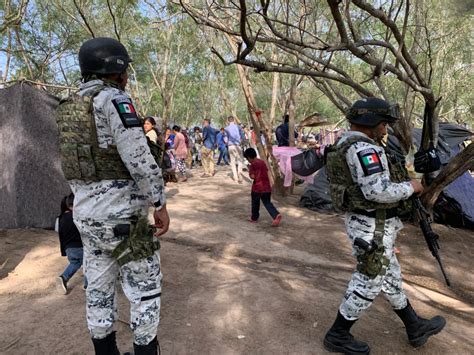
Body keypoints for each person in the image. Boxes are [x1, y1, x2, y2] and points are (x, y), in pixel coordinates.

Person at [57, 37, 169, 355]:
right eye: (126, 70)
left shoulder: (68, 107)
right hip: (125, 220)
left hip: (87, 218)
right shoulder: (114, 99)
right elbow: (139, 159)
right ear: (116, 70)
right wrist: (159, 203)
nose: (127, 76)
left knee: (99, 290)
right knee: (145, 291)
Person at [323, 98, 445, 354]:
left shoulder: (345, 142)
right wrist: (411, 186)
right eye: (383, 123)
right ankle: (338, 334)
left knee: (390, 278)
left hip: (368, 223)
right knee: (368, 280)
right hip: (373, 226)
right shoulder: (365, 149)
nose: (386, 128)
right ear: (371, 123)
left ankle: (414, 326)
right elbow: (377, 191)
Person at [57, 193, 87, 294]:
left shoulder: (61, 218)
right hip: (80, 246)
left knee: (75, 263)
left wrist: (64, 251)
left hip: (69, 248)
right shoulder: (76, 217)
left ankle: (64, 277)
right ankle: (88, 285)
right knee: (88, 264)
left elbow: (61, 236)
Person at [243, 148, 282, 226]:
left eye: (247, 159)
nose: (248, 161)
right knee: (267, 203)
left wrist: (249, 170)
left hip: (257, 188)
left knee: (255, 203)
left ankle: (254, 217)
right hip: (266, 187)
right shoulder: (262, 162)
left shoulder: (253, 165)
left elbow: (253, 177)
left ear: (249, 157)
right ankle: (275, 215)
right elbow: (266, 172)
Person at [225, 116, 245, 183]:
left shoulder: (226, 129)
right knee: (240, 160)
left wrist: (227, 142)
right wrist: (241, 142)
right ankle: (239, 172)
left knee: (232, 162)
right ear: (234, 120)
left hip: (230, 146)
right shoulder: (238, 127)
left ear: (228, 121)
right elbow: (242, 136)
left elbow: (225, 139)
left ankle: (235, 178)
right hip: (237, 145)